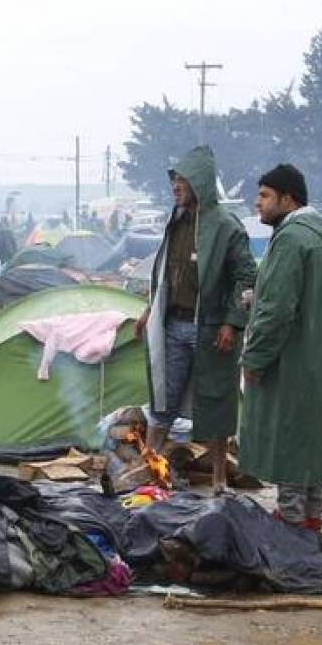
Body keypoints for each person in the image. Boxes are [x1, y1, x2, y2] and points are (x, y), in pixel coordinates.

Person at [136, 146, 256, 493]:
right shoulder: (176, 221)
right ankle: (151, 469)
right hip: (172, 325)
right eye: (173, 180)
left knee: (216, 401)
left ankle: (219, 478)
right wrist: (149, 311)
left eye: (182, 180)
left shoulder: (225, 226)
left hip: (211, 328)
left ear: (200, 182)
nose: (175, 186)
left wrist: (232, 322)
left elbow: (247, 278)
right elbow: (165, 274)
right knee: (163, 398)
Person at [240, 164, 322, 532]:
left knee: (288, 439)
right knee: (311, 439)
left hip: (292, 358)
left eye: (265, 196)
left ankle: (289, 523)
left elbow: (278, 309)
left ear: (288, 199)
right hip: (321, 357)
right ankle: (312, 518)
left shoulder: (291, 239)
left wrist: (254, 358)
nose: (258, 204)